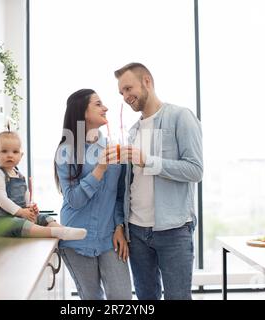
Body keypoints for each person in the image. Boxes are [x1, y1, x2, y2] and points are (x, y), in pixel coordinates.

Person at [114, 62, 203, 300]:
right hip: (137, 231)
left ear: (147, 81)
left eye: (128, 88)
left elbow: (195, 170)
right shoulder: (132, 132)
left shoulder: (180, 117)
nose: (125, 96)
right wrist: (121, 225)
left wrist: (148, 161)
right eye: (121, 92)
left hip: (173, 231)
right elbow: (127, 186)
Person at [54, 89, 132, 300]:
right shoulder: (66, 151)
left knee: (122, 298)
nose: (105, 108)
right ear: (83, 112)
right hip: (77, 240)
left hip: (110, 239)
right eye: (98, 104)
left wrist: (119, 226)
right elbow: (74, 200)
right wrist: (99, 170)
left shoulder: (113, 147)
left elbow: (119, 195)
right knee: (91, 299)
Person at [0, 131, 87, 240]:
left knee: (43, 218)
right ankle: (55, 232)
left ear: (21, 155)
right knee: (19, 224)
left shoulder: (20, 176)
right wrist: (21, 212)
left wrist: (30, 208)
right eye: (4, 151)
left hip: (18, 216)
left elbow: (26, 198)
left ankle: (62, 229)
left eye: (15, 152)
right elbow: (1, 199)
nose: (10, 155)